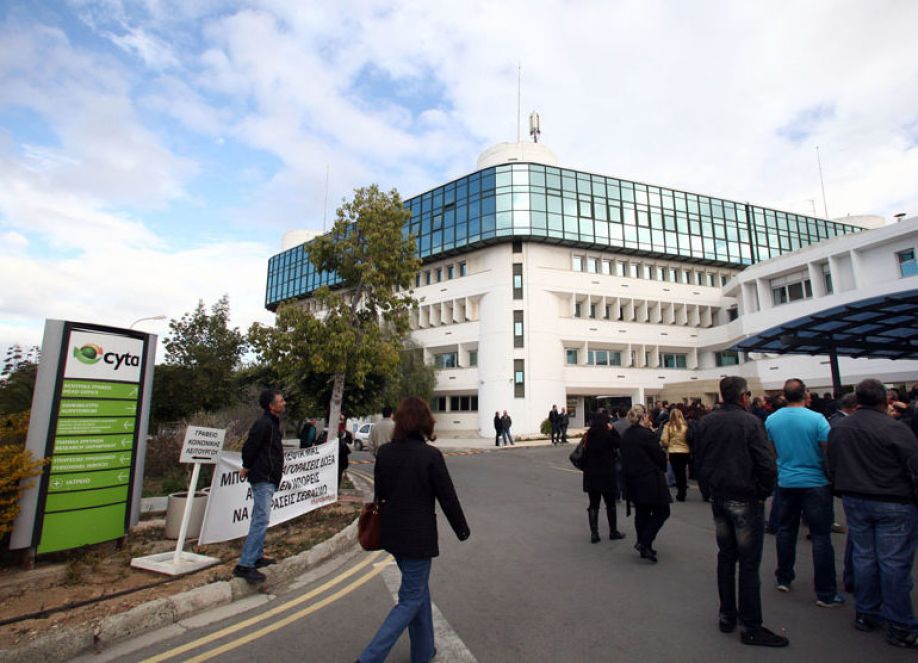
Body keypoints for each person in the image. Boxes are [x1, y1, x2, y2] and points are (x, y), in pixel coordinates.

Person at [357, 397, 470, 663]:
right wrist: (462, 530)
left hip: (392, 536)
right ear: (424, 422)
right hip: (418, 539)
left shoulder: (385, 453)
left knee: (418, 592)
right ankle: (368, 658)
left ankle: (423, 651)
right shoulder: (430, 456)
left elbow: (380, 494)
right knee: (410, 600)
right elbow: (447, 497)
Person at [693, 376, 788, 648]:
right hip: (745, 497)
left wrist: (709, 486)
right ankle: (750, 625)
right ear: (744, 396)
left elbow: (698, 458)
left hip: (720, 496)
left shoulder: (707, 422)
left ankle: (727, 614)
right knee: (748, 563)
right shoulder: (750, 422)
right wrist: (762, 490)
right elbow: (766, 463)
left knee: (726, 556)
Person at [827, 378, 918, 649]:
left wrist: (841, 487)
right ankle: (899, 623)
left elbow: (831, 462)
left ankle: (867, 613)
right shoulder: (894, 428)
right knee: (893, 562)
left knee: (864, 556)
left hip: (856, 497)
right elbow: (914, 465)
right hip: (893, 500)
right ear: (884, 400)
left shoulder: (840, 428)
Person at [765, 378, 844, 607]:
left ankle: (784, 577)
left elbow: (771, 451)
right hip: (815, 482)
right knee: (821, 536)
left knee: (786, 530)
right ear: (805, 394)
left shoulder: (772, 419)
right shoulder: (817, 419)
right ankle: (825, 592)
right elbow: (827, 450)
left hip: (786, 481)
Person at [233, 389, 285, 583]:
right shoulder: (264, 424)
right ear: (271, 406)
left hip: (268, 477)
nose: (284, 403)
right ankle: (245, 565)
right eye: (280, 401)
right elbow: (250, 446)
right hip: (263, 477)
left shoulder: (272, 423)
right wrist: (246, 466)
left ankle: (256, 556)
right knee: (260, 521)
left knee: (261, 519)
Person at [620, 405, 670, 563]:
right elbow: (658, 456)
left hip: (632, 478)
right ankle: (644, 542)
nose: (649, 418)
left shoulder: (627, 434)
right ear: (643, 417)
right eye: (647, 415)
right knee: (662, 511)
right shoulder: (646, 435)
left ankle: (645, 546)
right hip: (649, 479)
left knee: (642, 512)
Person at [581, 412, 626, 543]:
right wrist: (613, 431)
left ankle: (594, 533)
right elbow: (620, 443)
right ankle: (613, 531)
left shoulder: (588, 435)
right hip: (607, 473)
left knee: (593, 504)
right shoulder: (607, 435)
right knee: (610, 504)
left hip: (591, 474)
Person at [661, 408, 691, 502]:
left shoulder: (668, 425)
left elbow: (664, 439)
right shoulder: (686, 425)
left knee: (677, 472)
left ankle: (680, 491)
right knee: (683, 470)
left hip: (673, 451)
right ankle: (683, 490)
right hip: (685, 451)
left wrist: (668, 446)